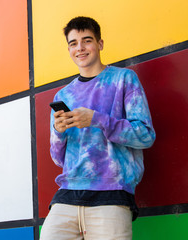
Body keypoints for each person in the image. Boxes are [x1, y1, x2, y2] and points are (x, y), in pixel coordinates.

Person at [40, 16, 156, 240]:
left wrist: (97, 119)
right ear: (69, 49)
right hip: (68, 194)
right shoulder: (63, 95)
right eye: (73, 43)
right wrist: (58, 132)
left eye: (87, 40)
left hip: (112, 193)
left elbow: (145, 135)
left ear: (100, 44)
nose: (80, 48)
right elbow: (58, 158)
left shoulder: (124, 79)